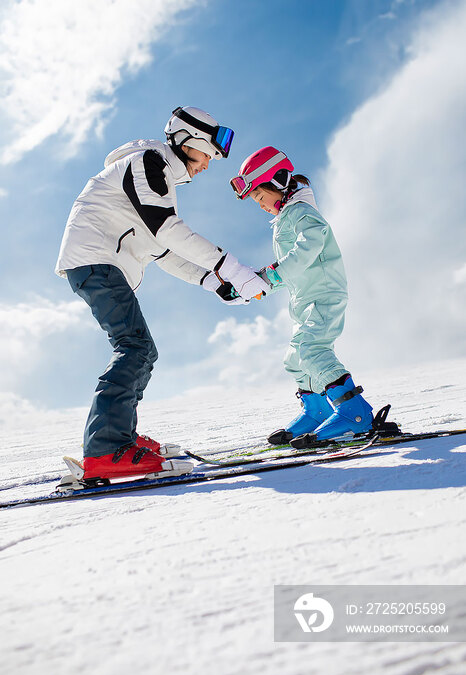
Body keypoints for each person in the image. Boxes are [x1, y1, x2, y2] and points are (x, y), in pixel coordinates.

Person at [55, 107, 269, 481]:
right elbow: (168, 231)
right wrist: (230, 267)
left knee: (141, 349)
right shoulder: (146, 164)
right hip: (94, 260)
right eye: (208, 155)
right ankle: (106, 450)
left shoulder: (158, 181)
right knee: (134, 347)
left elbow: (164, 252)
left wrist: (215, 281)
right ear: (189, 142)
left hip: (102, 263)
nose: (207, 166)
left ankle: (119, 438)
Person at [230, 146, 374, 445]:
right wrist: (261, 283)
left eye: (259, 196)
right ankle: (318, 411)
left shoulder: (301, 212)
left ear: (279, 180)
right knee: (295, 358)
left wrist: (274, 275)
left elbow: (309, 246)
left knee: (313, 349)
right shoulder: (286, 217)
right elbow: (292, 268)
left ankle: (355, 413)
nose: (259, 205)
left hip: (324, 294)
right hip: (305, 300)